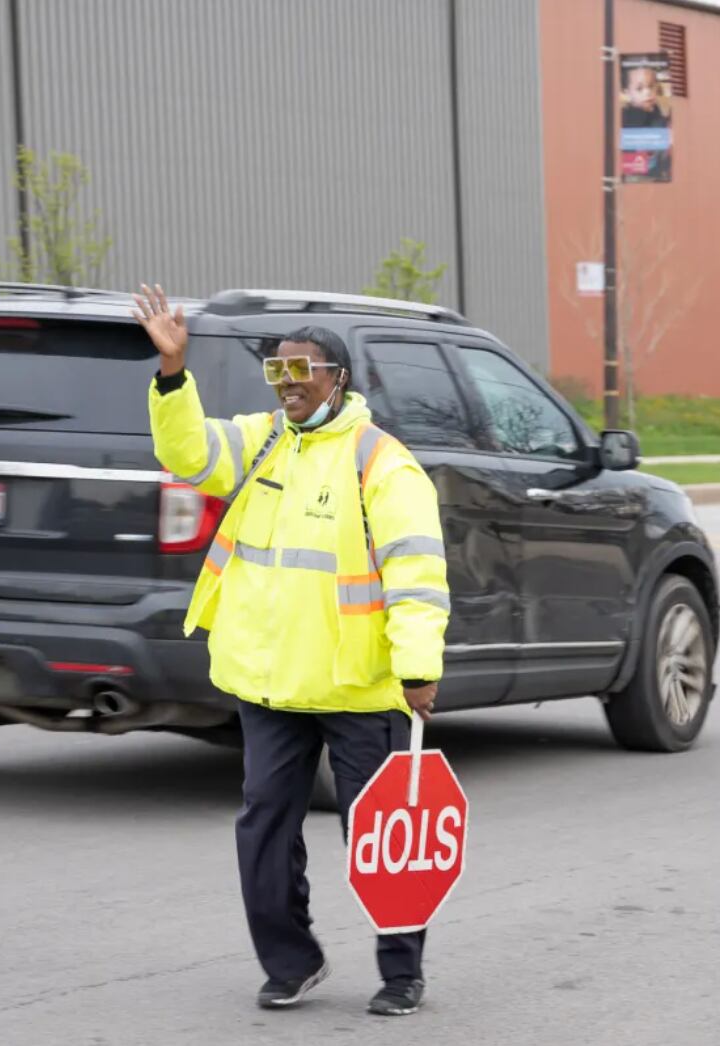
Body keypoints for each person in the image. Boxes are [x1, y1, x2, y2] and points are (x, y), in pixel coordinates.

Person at [132, 284, 451, 1017]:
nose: (291, 383)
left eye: (305, 370)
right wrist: (173, 373)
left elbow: (417, 572)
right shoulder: (261, 438)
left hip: (358, 688)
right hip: (269, 682)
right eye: (279, 372)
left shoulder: (382, 463)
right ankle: (291, 960)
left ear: (339, 378)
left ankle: (401, 971)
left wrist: (418, 668)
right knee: (265, 829)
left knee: (382, 838)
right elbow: (187, 452)